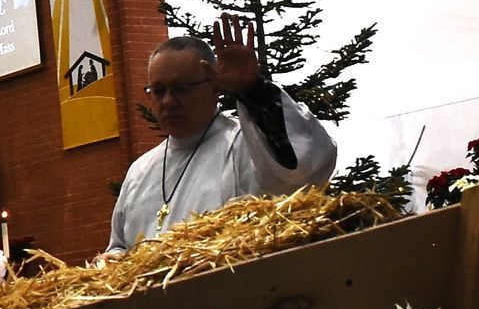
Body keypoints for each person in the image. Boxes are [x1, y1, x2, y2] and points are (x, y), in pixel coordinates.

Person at [106, 14, 338, 255]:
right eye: (157, 91)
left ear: (215, 87)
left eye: (181, 89)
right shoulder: (139, 171)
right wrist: (111, 260)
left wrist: (253, 89)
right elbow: (120, 246)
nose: (168, 102)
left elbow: (301, 172)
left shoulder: (247, 147)